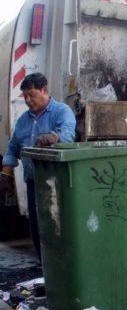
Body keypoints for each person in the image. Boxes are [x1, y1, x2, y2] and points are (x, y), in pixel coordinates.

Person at [1, 73, 76, 262]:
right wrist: (6, 174)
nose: (27, 100)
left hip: (57, 183)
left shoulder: (62, 111)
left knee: (57, 227)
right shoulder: (23, 121)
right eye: (24, 96)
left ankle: (61, 268)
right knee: (36, 227)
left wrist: (53, 137)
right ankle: (43, 268)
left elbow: (68, 134)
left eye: (31, 95)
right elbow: (13, 147)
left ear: (44, 90)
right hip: (33, 181)